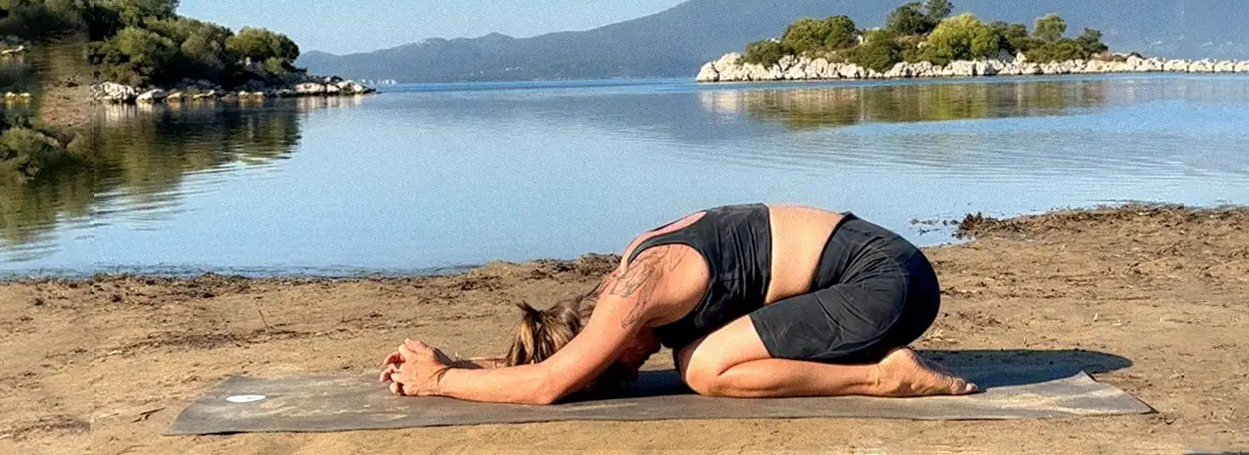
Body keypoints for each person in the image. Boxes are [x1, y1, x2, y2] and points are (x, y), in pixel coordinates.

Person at [380, 204, 977, 404]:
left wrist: (438, 383)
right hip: (883, 274)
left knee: (704, 368)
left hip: (883, 283)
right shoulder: (627, 277)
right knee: (698, 351)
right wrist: (456, 364)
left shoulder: (636, 292)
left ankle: (885, 378)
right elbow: (554, 365)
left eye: (623, 363)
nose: (636, 365)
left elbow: (547, 384)